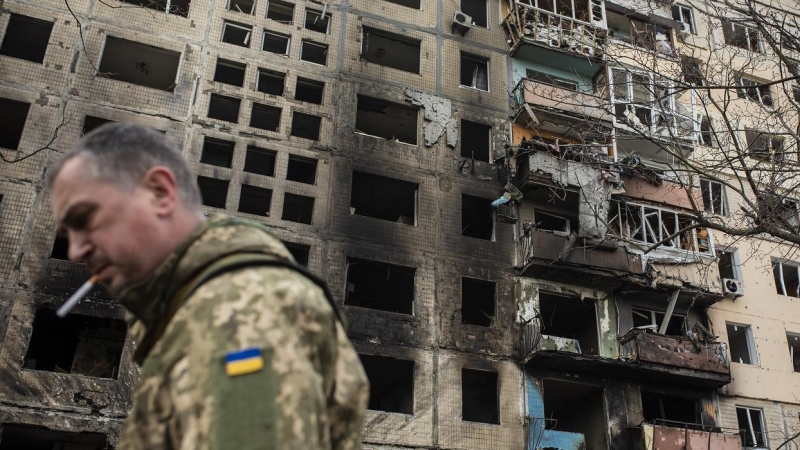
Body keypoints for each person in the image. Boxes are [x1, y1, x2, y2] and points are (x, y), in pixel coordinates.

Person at [48, 123, 369, 449]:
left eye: (84, 219)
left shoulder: (237, 310)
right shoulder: (196, 312)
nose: (75, 251)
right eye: (67, 235)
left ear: (159, 192)